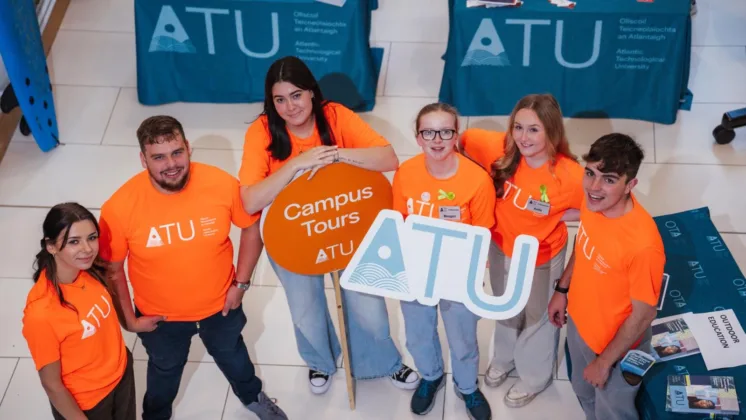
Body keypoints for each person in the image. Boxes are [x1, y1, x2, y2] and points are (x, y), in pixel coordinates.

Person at [239, 55, 420, 395]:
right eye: (279, 99)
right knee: (305, 308)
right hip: (291, 231)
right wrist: (296, 165)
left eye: (296, 95)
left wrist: (333, 154)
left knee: (366, 302)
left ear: (311, 92)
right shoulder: (261, 131)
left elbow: (388, 158)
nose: (290, 107)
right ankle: (320, 362)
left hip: (345, 218)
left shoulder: (335, 115)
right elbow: (250, 199)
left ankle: (382, 363)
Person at [98, 116, 287, 420]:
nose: (170, 164)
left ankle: (252, 396)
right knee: (164, 372)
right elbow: (112, 270)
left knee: (234, 356)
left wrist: (241, 285)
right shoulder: (119, 208)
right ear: (143, 159)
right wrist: (129, 321)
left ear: (188, 148)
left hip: (221, 307)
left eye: (176, 152)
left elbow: (252, 228)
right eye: (158, 157)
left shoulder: (220, 183)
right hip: (159, 318)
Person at [459, 94, 584, 407]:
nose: (523, 137)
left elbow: (599, 208)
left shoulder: (570, 175)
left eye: (534, 130)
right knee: (504, 307)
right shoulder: (496, 148)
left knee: (537, 319)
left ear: (552, 132)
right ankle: (504, 357)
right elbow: (461, 141)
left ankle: (534, 377)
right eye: (518, 127)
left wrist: (558, 213)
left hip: (541, 256)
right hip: (500, 246)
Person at [548, 133, 665, 420]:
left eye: (609, 179)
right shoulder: (593, 203)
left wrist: (604, 363)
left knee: (613, 412)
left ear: (630, 185)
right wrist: (562, 290)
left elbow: (643, 315)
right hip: (579, 325)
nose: (594, 187)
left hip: (615, 349)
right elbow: (583, 243)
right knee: (584, 392)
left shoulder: (643, 246)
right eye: (590, 174)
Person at [394, 103, 495, 419]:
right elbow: (398, 222)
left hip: (458, 274)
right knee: (418, 334)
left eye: (445, 131)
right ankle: (431, 375)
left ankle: (467, 387)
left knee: (463, 338)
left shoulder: (477, 181)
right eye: (428, 132)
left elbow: (483, 234)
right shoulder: (405, 173)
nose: (437, 140)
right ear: (418, 137)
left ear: (456, 136)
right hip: (416, 270)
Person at [22, 203, 136, 420]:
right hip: (89, 402)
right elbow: (52, 385)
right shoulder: (42, 313)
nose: (87, 248)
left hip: (121, 374)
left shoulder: (90, 270)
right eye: (74, 241)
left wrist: (132, 324)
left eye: (92, 238)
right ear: (51, 246)